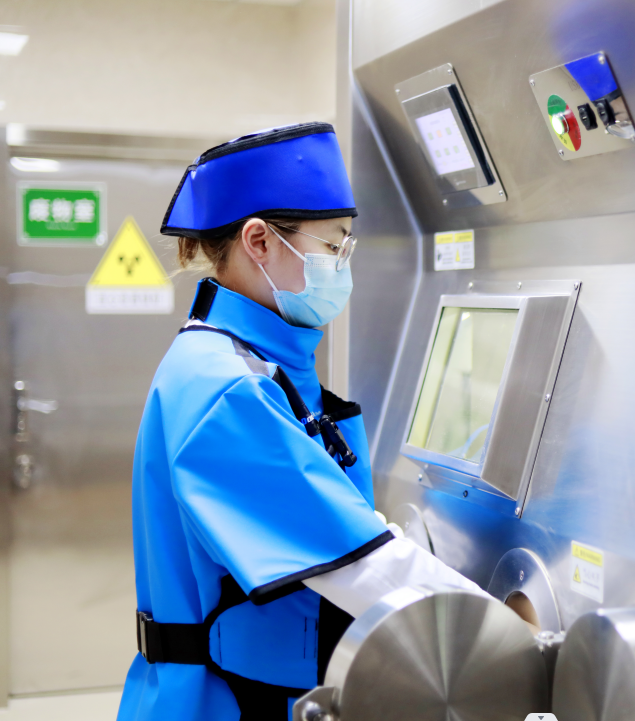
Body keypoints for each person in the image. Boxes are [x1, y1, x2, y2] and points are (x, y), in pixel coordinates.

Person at [116, 123, 485, 721]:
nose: (342, 267)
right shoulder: (226, 385)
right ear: (259, 241)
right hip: (220, 702)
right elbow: (362, 567)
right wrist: (509, 635)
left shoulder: (247, 360)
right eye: (332, 247)